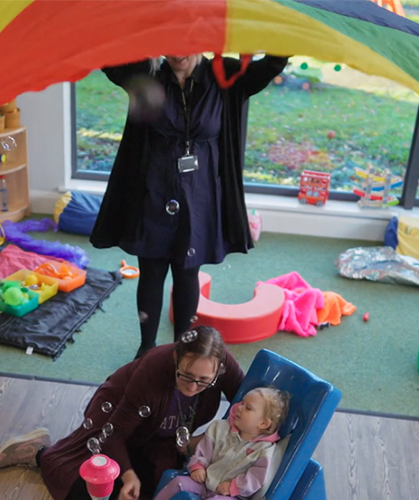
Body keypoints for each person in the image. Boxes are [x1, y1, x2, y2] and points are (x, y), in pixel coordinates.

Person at [89, 53, 289, 359]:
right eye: (169, 43)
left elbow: (266, 70)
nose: (177, 51)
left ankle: (181, 347)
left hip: (201, 192)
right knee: (152, 270)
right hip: (153, 188)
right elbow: (109, 61)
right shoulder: (148, 72)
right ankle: (146, 349)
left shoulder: (225, 74)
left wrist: (281, 44)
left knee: (186, 271)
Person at [0, 326, 245, 500]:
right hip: (113, 418)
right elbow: (113, 434)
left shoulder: (222, 365)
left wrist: (209, 439)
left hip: (156, 436)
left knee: (159, 487)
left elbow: (245, 406)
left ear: (217, 371)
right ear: (175, 359)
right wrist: (127, 475)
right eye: (187, 376)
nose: (193, 386)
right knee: (91, 496)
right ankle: (38, 452)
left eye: (204, 381)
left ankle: (131, 462)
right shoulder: (153, 368)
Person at [129, 386, 290, 500]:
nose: (239, 407)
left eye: (248, 408)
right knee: (177, 482)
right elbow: (203, 452)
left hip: (232, 497)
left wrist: (233, 487)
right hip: (205, 482)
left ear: (263, 423)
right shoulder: (220, 428)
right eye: (242, 403)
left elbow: (256, 479)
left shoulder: (264, 451)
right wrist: (198, 466)